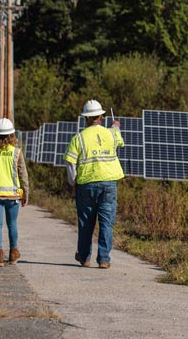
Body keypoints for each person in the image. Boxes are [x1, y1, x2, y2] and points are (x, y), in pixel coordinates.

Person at [64, 99, 124, 269]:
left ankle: (84, 257)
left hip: (86, 185)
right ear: (101, 117)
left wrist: (73, 182)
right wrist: (116, 126)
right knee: (106, 222)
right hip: (109, 184)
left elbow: (70, 164)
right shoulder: (111, 134)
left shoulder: (79, 138)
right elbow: (117, 137)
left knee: (85, 223)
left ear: (86, 118)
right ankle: (104, 259)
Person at [0, 118, 29, 267]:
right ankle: (13, 253)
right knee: (12, 224)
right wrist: (25, 194)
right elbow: (23, 176)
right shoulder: (16, 152)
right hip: (13, 195)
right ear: (11, 135)